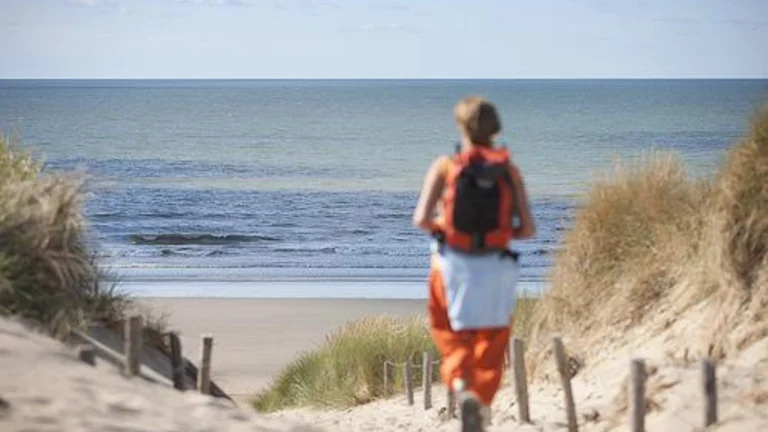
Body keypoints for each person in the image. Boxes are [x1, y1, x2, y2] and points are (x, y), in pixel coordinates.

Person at [412, 96, 535, 432]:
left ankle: (460, 382)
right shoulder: (508, 170)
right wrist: (496, 234)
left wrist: (447, 227)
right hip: (496, 266)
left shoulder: (446, 166)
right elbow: (527, 229)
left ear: (460, 126)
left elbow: (421, 219)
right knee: (492, 338)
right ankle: (481, 399)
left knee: (449, 329)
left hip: (452, 263)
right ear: (495, 129)